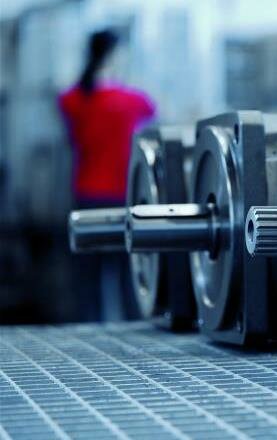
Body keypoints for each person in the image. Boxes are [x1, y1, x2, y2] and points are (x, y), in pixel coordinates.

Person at [59, 29, 155, 322]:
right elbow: (153, 108)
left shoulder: (74, 99)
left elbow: (66, 102)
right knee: (127, 277)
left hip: (86, 195)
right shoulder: (131, 100)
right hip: (121, 196)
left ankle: (88, 333)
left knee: (88, 280)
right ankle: (130, 336)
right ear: (114, 56)